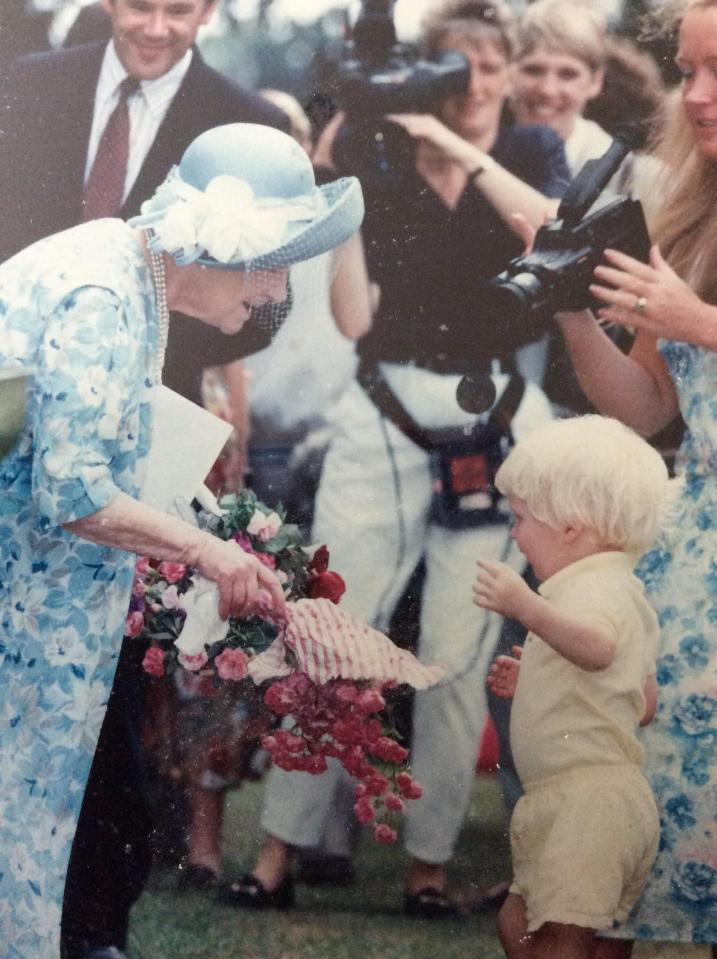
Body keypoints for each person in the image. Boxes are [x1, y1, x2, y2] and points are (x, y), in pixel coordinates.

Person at [221, 0, 569, 920]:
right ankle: (275, 851)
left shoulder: (529, 150)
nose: (472, 89)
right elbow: (343, 263)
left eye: (487, 70)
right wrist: (367, 129)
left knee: (457, 651)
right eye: (452, 70)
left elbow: (550, 233)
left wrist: (462, 153)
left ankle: (427, 862)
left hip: (488, 411)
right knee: (336, 627)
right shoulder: (386, 153)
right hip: (385, 402)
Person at [0, 121, 364, 959]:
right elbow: (76, 487)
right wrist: (208, 552)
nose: (274, 291)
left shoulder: (133, 274)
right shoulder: (103, 292)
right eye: (271, 259)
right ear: (215, 244)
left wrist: (214, 530)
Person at [539, 0, 717, 950]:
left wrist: (705, 326)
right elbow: (647, 410)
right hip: (691, 570)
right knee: (647, 828)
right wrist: (571, 308)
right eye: (686, 70)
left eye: (715, 70)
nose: (694, 96)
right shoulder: (692, 216)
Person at [473, 414, 669, 959]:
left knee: (551, 934)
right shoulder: (618, 591)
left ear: (571, 527)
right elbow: (643, 702)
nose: (514, 533)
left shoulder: (589, 591)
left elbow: (598, 648)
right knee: (566, 931)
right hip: (602, 799)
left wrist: (524, 606)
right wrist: (538, 678)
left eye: (520, 519)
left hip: (585, 803)